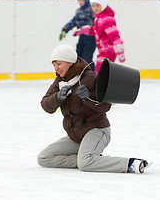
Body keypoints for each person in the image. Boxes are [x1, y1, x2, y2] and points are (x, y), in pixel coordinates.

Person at [37, 44, 149, 173]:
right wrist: (57, 97)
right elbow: (46, 106)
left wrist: (88, 97)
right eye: (54, 65)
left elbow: (106, 107)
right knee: (44, 158)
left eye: (59, 64)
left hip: (97, 130)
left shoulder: (89, 78)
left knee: (85, 164)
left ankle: (130, 164)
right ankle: (90, 160)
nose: (56, 68)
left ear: (70, 62)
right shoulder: (59, 82)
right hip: (76, 136)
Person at [73, 0, 125, 74]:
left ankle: (100, 87)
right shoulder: (99, 19)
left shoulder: (107, 19)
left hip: (108, 50)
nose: (95, 8)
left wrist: (120, 49)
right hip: (103, 50)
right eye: (93, 5)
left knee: (99, 72)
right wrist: (83, 30)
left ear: (103, 5)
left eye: (98, 5)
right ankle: (104, 86)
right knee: (102, 73)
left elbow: (114, 34)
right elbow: (95, 30)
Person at [59, 0, 96, 71]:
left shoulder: (92, 10)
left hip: (91, 37)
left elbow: (98, 22)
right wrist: (65, 29)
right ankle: (81, 75)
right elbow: (73, 22)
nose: (80, 1)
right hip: (82, 37)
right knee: (78, 57)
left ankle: (94, 75)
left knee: (87, 58)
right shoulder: (79, 11)